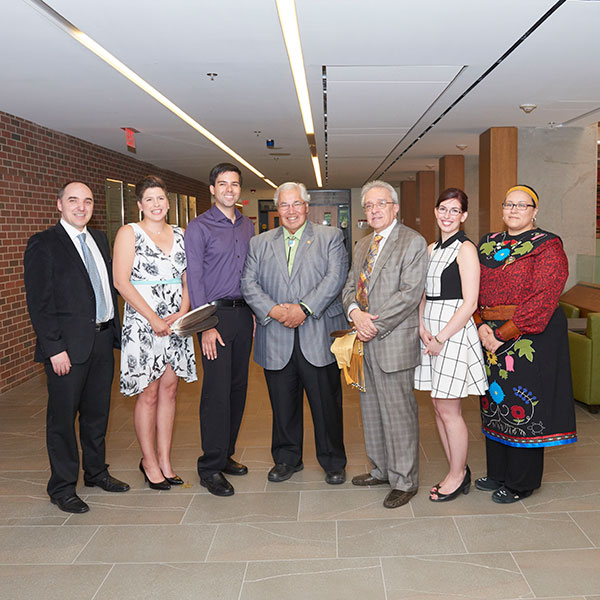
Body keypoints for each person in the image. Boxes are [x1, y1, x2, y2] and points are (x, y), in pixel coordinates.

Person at [24, 181, 130, 514]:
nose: (81, 207)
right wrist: (53, 348)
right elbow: (40, 303)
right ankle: (62, 486)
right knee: (62, 419)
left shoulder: (98, 239)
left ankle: (96, 472)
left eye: (87, 201)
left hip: (101, 341)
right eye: (73, 200)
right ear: (59, 205)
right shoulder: (44, 244)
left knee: (97, 415)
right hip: (67, 349)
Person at [475, 184, 577, 503]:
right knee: (495, 401)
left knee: (524, 404)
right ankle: (498, 473)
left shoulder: (546, 245)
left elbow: (545, 296)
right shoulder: (488, 243)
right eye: (509, 204)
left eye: (523, 205)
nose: (514, 210)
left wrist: (502, 333)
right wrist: (480, 325)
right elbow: (471, 285)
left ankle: (522, 482)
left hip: (529, 336)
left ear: (535, 211)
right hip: (486, 334)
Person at [241, 182, 348, 484]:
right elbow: (249, 284)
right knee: (282, 404)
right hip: (275, 335)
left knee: (326, 403)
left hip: (318, 333)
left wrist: (304, 308)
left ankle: (333, 460)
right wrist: (275, 311)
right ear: (277, 209)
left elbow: (335, 277)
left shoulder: (330, 237)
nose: (290, 211)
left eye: (296, 204)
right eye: (284, 205)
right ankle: (287, 458)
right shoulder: (259, 243)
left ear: (306, 205)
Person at [342, 180, 427, 508]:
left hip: (391, 340)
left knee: (398, 413)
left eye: (381, 204)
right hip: (363, 341)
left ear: (395, 208)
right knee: (371, 410)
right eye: (369, 206)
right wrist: (354, 313)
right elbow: (350, 286)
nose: (374, 210)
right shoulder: (363, 245)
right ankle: (380, 469)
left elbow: (409, 293)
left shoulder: (412, 242)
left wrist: (371, 324)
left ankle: (405, 480)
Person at [113, 175, 197, 491]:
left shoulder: (181, 234)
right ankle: (148, 461)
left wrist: (182, 312)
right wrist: (153, 318)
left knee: (170, 389)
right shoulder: (129, 233)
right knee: (148, 392)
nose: (157, 204)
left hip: (176, 322)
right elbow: (122, 282)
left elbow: (189, 279)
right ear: (140, 205)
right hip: (143, 321)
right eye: (150, 199)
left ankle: (165, 459)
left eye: (161, 198)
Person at [184, 163, 255, 497]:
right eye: (222, 184)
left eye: (235, 184)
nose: (229, 189)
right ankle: (210, 466)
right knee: (216, 393)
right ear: (212, 189)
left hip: (243, 316)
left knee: (238, 389)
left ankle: (226, 454)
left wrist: (254, 314)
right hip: (215, 317)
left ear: (240, 190)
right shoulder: (198, 227)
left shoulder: (248, 226)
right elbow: (194, 278)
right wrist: (205, 326)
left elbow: (252, 275)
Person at [414, 188, 488, 502]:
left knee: (450, 409)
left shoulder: (466, 249)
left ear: (464, 216)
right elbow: (422, 294)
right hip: (429, 327)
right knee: (438, 405)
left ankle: (458, 475)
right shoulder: (430, 248)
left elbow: (470, 302)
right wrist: (421, 327)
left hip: (453, 332)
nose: (447, 215)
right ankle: (455, 469)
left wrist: (441, 338)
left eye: (454, 210)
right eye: (443, 209)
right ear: (435, 211)